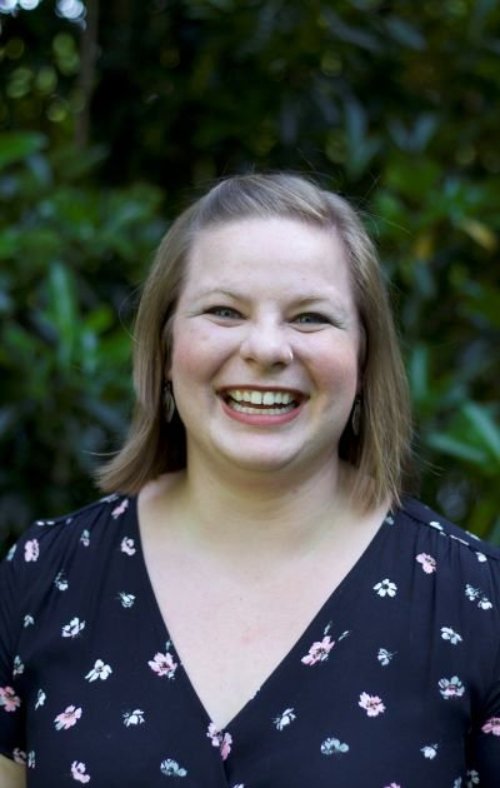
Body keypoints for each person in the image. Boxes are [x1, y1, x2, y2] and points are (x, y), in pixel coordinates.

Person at [0, 173, 499, 788]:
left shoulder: (478, 601)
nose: (266, 349)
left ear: (366, 359)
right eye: (224, 311)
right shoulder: (42, 578)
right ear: (166, 345)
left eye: (311, 317)